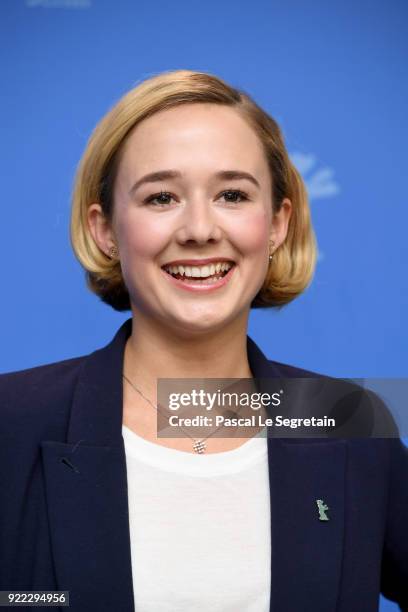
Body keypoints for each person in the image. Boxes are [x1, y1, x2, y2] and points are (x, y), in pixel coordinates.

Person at [0, 69, 407, 612]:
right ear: (105, 230)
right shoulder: (10, 421)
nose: (199, 229)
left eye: (233, 194)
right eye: (162, 197)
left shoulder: (347, 420)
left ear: (278, 224)